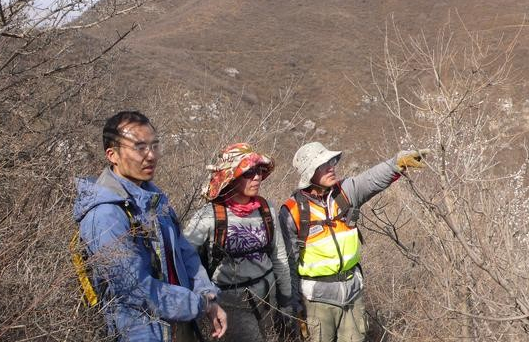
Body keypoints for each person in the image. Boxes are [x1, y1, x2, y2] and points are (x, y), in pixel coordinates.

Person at [73, 111, 227, 342]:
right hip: (140, 333)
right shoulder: (105, 214)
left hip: (179, 327)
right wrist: (198, 304)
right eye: (140, 148)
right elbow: (133, 288)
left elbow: (186, 255)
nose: (151, 155)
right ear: (112, 155)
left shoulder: (155, 199)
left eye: (155, 146)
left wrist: (208, 295)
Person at [278, 142, 428, 342]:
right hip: (316, 300)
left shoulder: (346, 192)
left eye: (331, 161)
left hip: (352, 291)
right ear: (309, 172)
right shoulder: (292, 211)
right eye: (323, 164)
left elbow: (372, 179)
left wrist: (397, 163)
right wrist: (293, 306)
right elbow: (289, 264)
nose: (331, 167)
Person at [183, 143, 294, 342]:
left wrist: (286, 299)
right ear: (231, 177)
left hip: (269, 299)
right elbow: (184, 259)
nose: (257, 177)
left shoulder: (266, 209)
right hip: (233, 305)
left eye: (259, 171)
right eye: (249, 172)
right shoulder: (209, 216)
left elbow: (279, 257)